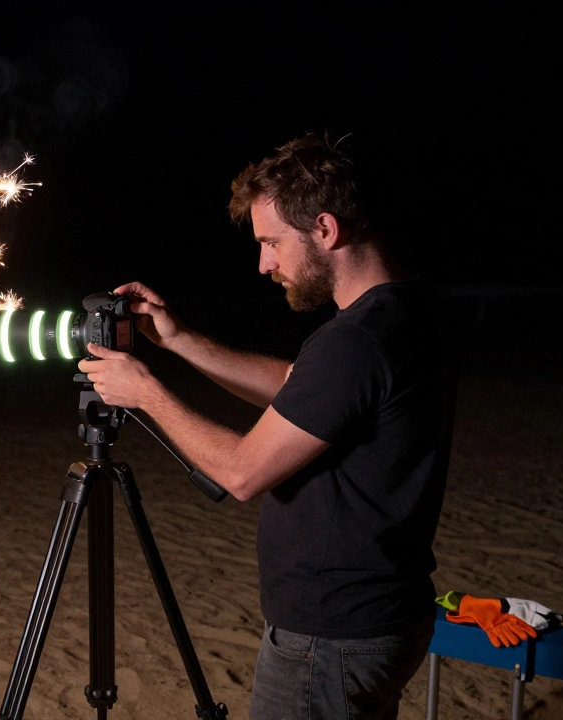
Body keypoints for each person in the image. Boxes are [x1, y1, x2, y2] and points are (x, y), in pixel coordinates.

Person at [78, 133, 455, 719]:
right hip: (383, 615)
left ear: (325, 230)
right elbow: (295, 386)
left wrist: (146, 393)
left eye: (272, 243)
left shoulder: (355, 342)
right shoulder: (405, 311)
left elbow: (242, 472)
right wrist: (178, 340)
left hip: (329, 638)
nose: (264, 264)